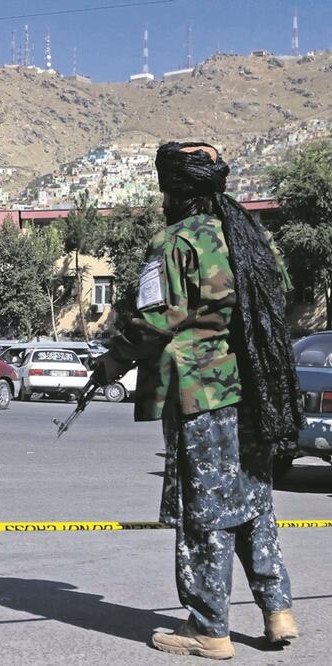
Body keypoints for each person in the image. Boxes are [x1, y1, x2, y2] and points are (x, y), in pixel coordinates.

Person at [92, 142, 301, 659]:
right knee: (254, 504)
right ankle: (278, 612)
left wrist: (111, 361)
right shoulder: (251, 238)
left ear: (174, 191)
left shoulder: (176, 242)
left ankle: (209, 629)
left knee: (204, 512)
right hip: (255, 393)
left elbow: (153, 320)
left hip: (201, 395)